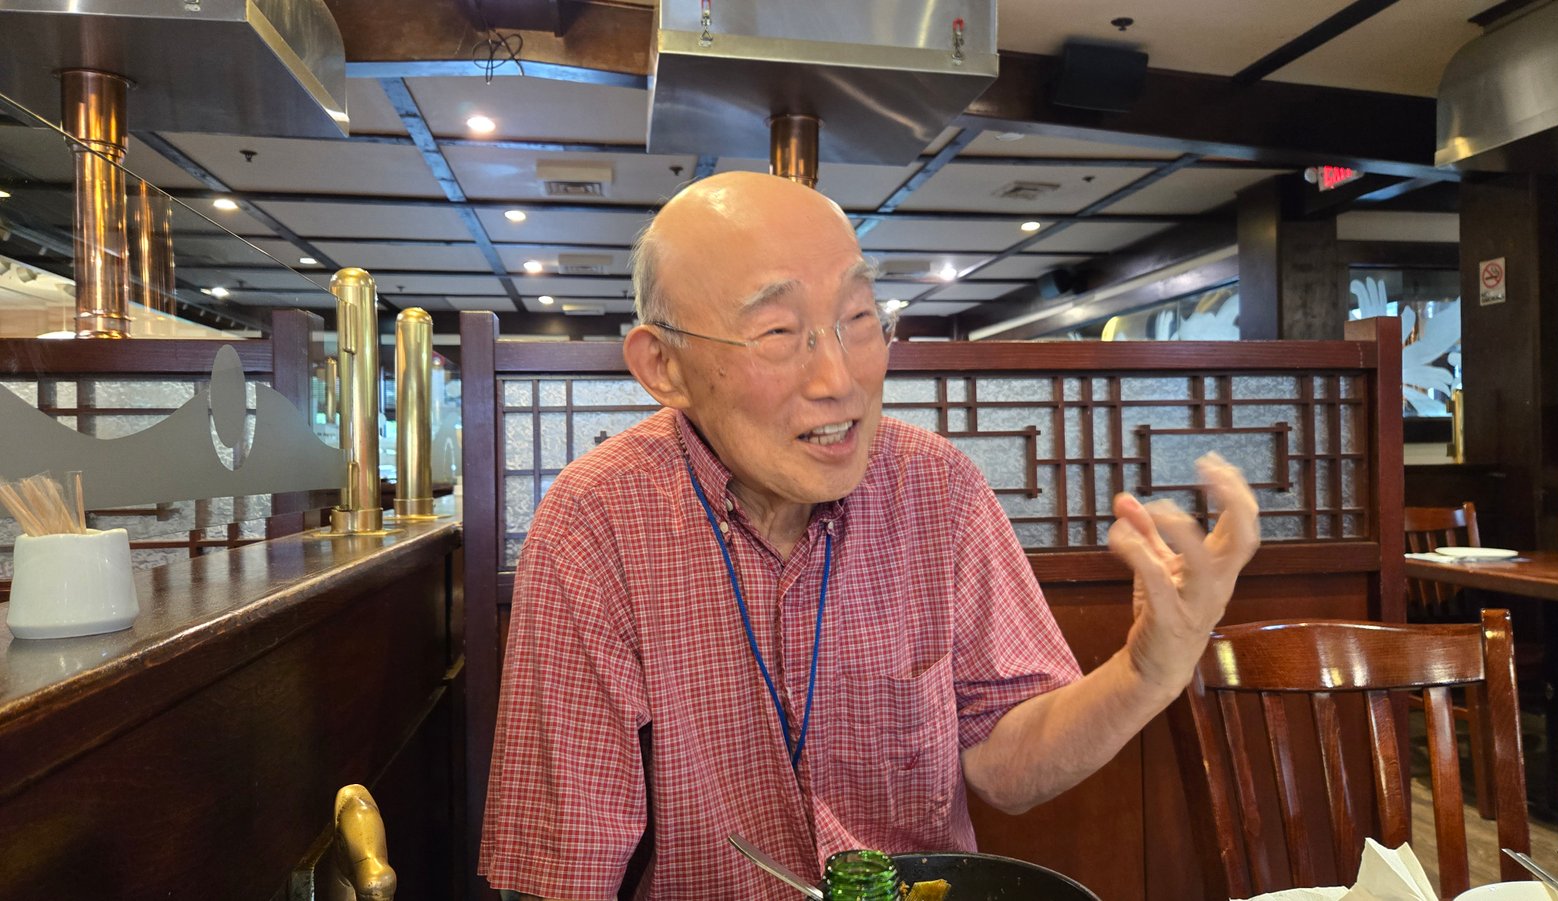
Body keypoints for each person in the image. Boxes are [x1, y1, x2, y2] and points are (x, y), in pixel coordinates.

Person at [480, 171, 1260, 901]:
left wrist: (1148, 670)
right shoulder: (597, 523)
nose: (840, 378)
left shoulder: (937, 487)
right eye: (778, 330)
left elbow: (1007, 764)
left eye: (858, 319)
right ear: (664, 366)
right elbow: (566, 868)